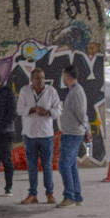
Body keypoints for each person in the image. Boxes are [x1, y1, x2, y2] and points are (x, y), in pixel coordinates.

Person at [18, 66, 60, 204]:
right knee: (32, 165)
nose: (40, 81)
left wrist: (47, 112)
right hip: (29, 134)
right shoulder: (25, 91)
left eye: (42, 78)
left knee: (47, 165)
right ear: (31, 80)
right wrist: (33, 109)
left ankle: (50, 194)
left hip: (46, 134)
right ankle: (32, 194)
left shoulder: (51, 91)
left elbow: (58, 110)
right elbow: (19, 109)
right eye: (37, 78)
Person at [53, 64, 88, 207]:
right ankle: (77, 195)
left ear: (67, 76)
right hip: (70, 132)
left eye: (63, 76)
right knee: (71, 165)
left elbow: (81, 114)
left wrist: (87, 130)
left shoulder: (76, 92)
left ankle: (69, 195)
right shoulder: (73, 91)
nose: (62, 78)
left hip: (73, 134)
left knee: (64, 164)